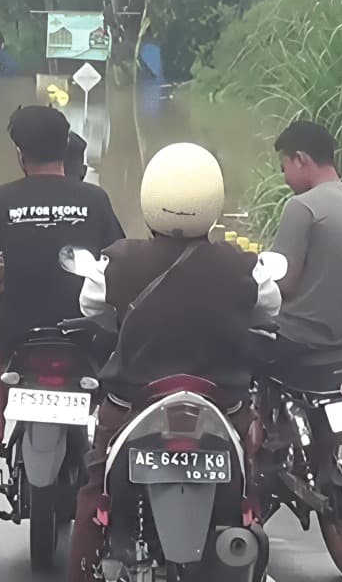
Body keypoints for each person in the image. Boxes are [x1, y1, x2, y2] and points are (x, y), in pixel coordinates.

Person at [64, 142, 282, 582]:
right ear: (214, 204)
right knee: (252, 481)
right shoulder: (244, 266)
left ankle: (83, 571)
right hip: (224, 405)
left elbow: (92, 308)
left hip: (132, 402)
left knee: (94, 488)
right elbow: (269, 309)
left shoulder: (118, 260)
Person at [0, 105, 125, 545]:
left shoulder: (0, 199)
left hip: (18, 325)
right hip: (83, 328)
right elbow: (115, 262)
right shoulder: (95, 199)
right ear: (66, 149)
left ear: (20, 154)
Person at [269, 120, 342, 357]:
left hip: (295, 341)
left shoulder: (302, 206)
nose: (285, 178)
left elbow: (282, 283)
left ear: (300, 159)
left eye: (283, 167)